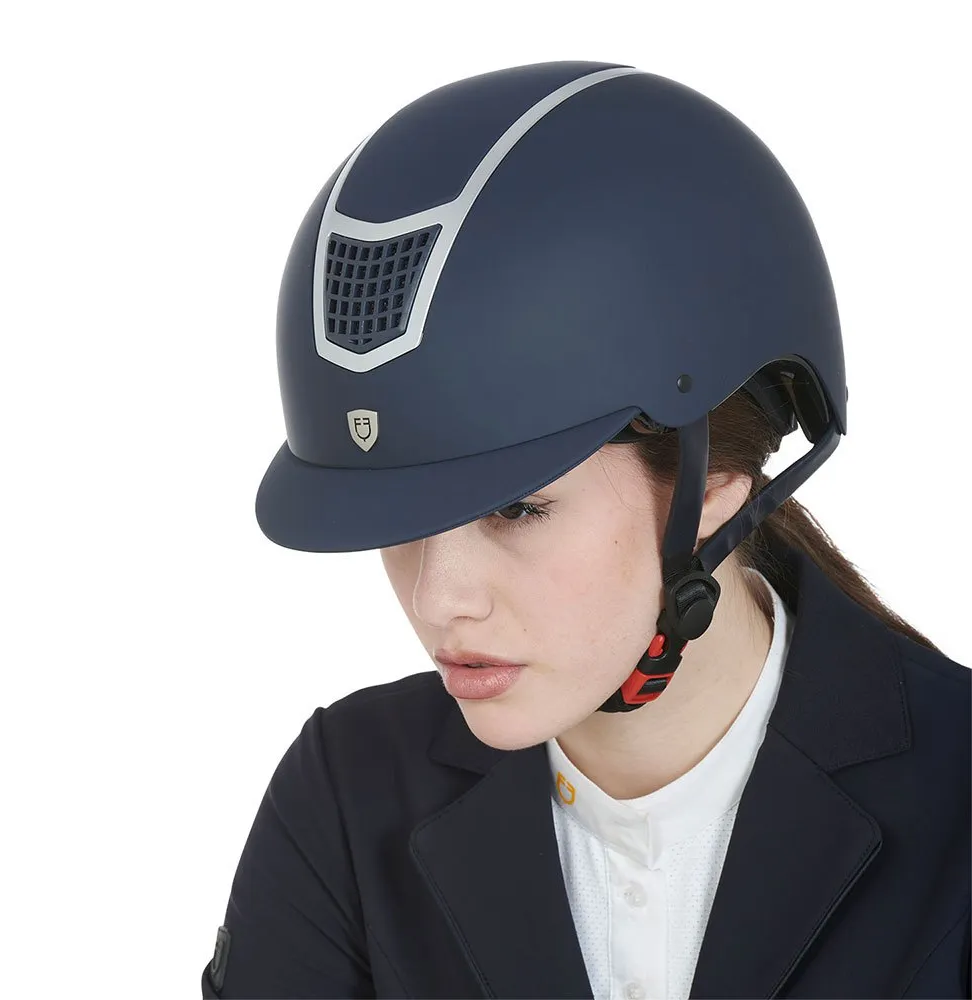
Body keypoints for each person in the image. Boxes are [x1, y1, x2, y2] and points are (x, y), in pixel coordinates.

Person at [201, 60, 970, 999]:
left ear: (715, 485)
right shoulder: (346, 798)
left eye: (517, 509)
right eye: (401, 517)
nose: (438, 599)